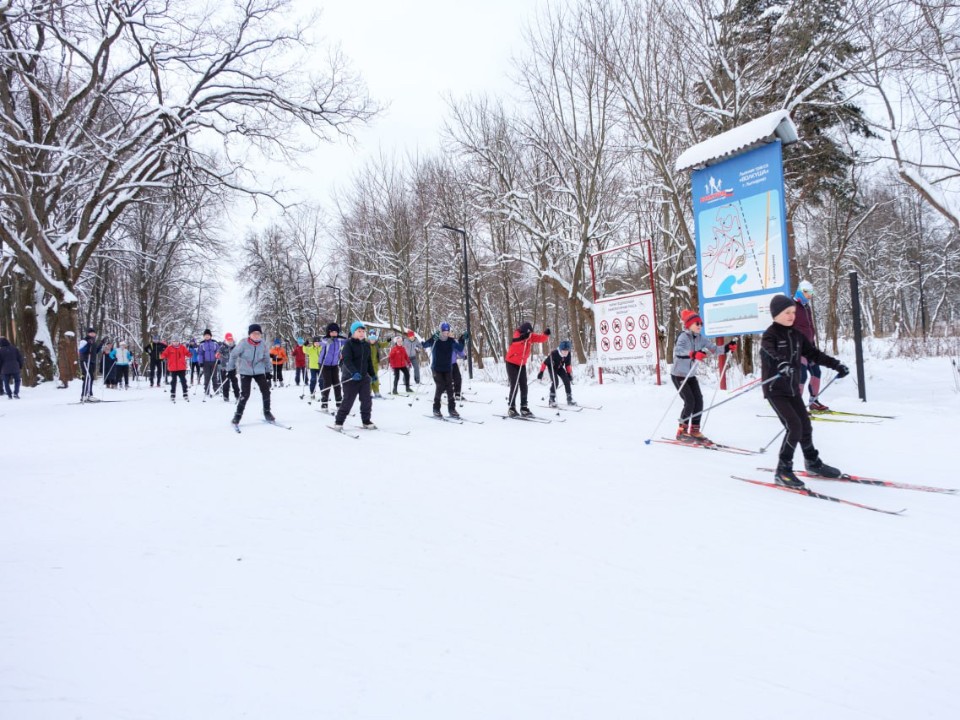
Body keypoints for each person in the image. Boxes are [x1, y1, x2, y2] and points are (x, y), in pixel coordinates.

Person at [761, 294, 850, 488]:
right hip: (775, 389)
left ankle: (812, 463)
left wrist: (836, 365)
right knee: (794, 426)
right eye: (787, 312)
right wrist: (781, 363)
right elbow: (770, 352)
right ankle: (783, 471)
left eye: (793, 312)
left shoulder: (796, 335)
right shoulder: (770, 335)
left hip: (792, 388)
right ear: (776, 314)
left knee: (805, 425)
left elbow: (814, 354)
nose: (792, 316)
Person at [671, 310, 737, 444]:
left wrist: (727, 347)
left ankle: (694, 430)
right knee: (689, 401)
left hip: (691, 375)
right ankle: (681, 431)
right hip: (679, 374)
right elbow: (678, 351)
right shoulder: (683, 337)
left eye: (701, 323)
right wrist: (693, 354)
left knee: (699, 401)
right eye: (697, 323)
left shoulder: (701, 338)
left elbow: (714, 349)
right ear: (689, 324)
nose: (700, 325)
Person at [793, 280, 829, 412]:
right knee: (801, 376)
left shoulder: (806, 307)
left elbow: (810, 327)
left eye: (811, 293)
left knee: (816, 373)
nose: (810, 295)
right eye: (807, 292)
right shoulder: (792, 306)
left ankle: (813, 402)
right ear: (801, 291)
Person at [334, 322, 377, 430]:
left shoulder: (366, 345)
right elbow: (347, 361)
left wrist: (372, 374)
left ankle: (366, 421)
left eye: (363, 331)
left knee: (367, 400)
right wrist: (353, 372)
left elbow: (368, 361)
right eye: (359, 331)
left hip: (363, 377)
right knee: (348, 400)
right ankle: (339, 422)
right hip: (350, 377)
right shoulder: (348, 344)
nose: (362, 333)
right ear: (353, 332)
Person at [230, 324, 274, 426]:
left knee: (266, 391)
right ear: (250, 334)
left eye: (258, 334)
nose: (256, 335)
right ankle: (237, 415)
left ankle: (267, 412)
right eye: (254, 333)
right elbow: (233, 355)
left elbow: (267, 358)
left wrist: (268, 371)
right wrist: (231, 369)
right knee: (245, 394)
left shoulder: (263, 344)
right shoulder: (243, 343)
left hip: (259, 371)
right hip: (246, 371)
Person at [505, 321, 549, 417]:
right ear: (523, 331)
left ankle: (524, 407)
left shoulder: (530, 336)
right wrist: (523, 338)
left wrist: (546, 334)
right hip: (511, 363)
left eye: (530, 333)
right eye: (527, 332)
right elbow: (516, 341)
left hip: (521, 364)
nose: (529, 335)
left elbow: (541, 338)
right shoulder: (517, 334)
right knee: (514, 384)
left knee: (524, 385)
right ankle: (511, 408)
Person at [422, 322, 466, 418]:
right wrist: (433, 337)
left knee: (450, 388)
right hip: (436, 368)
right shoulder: (435, 339)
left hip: (447, 368)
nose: (446, 333)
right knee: (440, 386)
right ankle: (436, 409)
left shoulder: (451, 341)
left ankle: (452, 409)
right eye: (444, 331)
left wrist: (462, 339)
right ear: (440, 331)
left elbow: (460, 348)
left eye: (447, 331)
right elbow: (424, 345)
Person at [538, 340, 576, 408]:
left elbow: (568, 365)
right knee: (556, 382)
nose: (565, 352)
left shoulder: (568, 354)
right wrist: (541, 373)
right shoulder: (554, 353)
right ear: (560, 350)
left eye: (567, 351)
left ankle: (569, 398)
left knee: (567, 380)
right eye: (564, 351)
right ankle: (551, 399)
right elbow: (544, 363)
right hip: (552, 368)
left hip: (559, 368)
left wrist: (569, 374)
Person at [318, 322, 347, 410]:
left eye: (336, 332)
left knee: (336, 383)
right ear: (328, 332)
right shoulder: (325, 339)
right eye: (332, 332)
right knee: (327, 383)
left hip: (334, 365)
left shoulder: (338, 341)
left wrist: (348, 338)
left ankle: (339, 402)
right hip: (324, 364)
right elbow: (323, 343)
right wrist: (332, 339)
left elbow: (348, 341)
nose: (334, 334)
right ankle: (324, 402)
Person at [161, 337, 191, 402]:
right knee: (173, 381)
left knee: (183, 381)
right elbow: (164, 354)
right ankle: (173, 393)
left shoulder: (182, 347)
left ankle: (185, 393)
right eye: (174, 341)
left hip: (181, 367)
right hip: (173, 368)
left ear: (179, 342)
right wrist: (163, 356)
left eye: (177, 341)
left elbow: (187, 353)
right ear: (172, 342)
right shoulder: (169, 348)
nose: (175, 343)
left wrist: (189, 354)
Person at [78, 327, 102, 402]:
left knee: (90, 377)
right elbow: (81, 350)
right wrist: (88, 344)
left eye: (93, 333)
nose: (92, 334)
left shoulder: (93, 342)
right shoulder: (84, 341)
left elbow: (95, 351)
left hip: (92, 361)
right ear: (88, 333)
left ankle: (87, 394)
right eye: (91, 333)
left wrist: (101, 344)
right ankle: (86, 395)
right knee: (88, 377)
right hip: (85, 361)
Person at [218, 332, 240, 402]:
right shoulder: (222, 347)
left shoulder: (235, 347)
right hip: (224, 367)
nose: (230, 341)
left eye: (231, 339)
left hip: (233, 367)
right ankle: (225, 396)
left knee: (234, 382)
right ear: (226, 339)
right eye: (228, 339)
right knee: (226, 382)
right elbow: (218, 353)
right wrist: (218, 355)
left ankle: (237, 395)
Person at [367, 329, 389, 398]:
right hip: (368, 365)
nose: (372, 340)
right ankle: (368, 392)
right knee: (369, 379)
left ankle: (376, 392)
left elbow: (383, 344)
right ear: (369, 339)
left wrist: (388, 341)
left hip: (375, 364)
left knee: (375, 378)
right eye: (371, 339)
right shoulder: (366, 345)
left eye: (374, 339)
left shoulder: (377, 344)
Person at [197, 329, 219, 396]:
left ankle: (216, 389)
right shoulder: (202, 344)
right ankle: (207, 390)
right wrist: (200, 362)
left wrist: (219, 359)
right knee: (207, 377)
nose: (207, 336)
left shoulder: (215, 343)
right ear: (204, 336)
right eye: (205, 335)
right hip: (206, 362)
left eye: (208, 335)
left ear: (210, 336)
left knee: (214, 376)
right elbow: (200, 354)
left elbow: (218, 352)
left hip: (214, 362)